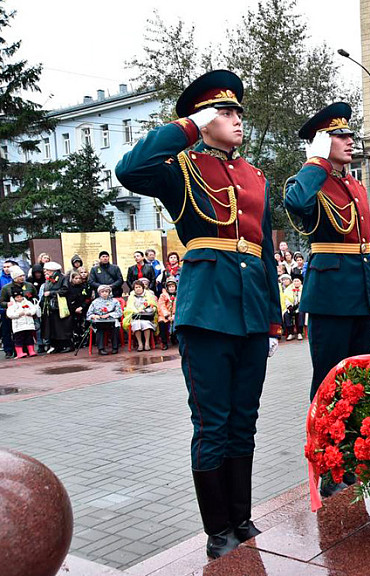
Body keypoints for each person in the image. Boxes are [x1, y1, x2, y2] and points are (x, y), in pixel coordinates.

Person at [116, 69, 282, 558]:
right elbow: (129, 169)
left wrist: (272, 320)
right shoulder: (179, 167)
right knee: (212, 421)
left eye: (237, 112)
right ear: (204, 117)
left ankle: (242, 518)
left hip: (252, 313)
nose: (236, 120)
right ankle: (218, 529)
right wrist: (189, 125)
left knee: (244, 420)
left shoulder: (255, 176)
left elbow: (265, 253)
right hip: (205, 310)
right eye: (224, 112)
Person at [283, 101, 370, 405]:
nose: (350, 140)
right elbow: (296, 203)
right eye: (340, 136)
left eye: (350, 134)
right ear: (323, 142)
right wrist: (316, 161)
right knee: (329, 380)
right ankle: (322, 446)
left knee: (360, 379)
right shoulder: (312, 181)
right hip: (331, 295)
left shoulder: (355, 185)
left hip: (359, 291)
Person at [87, 284, 122, 355]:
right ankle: (101, 349)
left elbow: (119, 312)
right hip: (99, 321)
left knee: (115, 328)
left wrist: (109, 314)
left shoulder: (114, 301)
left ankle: (115, 348)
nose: (104, 293)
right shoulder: (95, 302)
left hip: (111, 320)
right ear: (99, 293)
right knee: (99, 329)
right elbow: (89, 314)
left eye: (106, 291)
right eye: (102, 292)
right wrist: (94, 316)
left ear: (109, 292)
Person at [124, 279, 158, 351]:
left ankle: (147, 343)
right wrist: (136, 311)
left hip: (147, 316)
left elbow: (154, 306)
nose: (138, 289)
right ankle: (140, 344)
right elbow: (129, 308)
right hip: (135, 316)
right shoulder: (131, 296)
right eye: (136, 287)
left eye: (139, 287)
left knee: (145, 323)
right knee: (137, 324)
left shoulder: (149, 295)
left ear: (142, 288)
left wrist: (145, 310)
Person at [6, 285, 38, 358]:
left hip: (28, 325)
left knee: (29, 338)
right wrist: (18, 314)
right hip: (18, 326)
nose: (19, 298)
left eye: (20, 296)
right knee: (19, 340)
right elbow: (9, 314)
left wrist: (29, 312)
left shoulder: (27, 302)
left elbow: (33, 309)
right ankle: (19, 352)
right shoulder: (12, 305)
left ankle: (31, 351)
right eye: (17, 297)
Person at [66, 269, 93, 349]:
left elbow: (88, 298)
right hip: (73, 309)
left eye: (79, 278)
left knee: (83, 326)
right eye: (76, 278)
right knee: (74, 326)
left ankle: (84, 341)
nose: (78, 280)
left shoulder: (84, 287)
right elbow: (68, 300)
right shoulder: (69, 288)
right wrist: (74, 309)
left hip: (83, 309)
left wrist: (82, 307)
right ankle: (76, 342)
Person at [1, 259, 17, 359]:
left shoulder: (16, 277)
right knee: (6, 330)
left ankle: (18, 349)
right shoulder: (1, 279)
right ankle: (8, 350)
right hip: (4, 308)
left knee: (16, 330)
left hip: (17, 308)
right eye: (5, 267)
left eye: (8, 267)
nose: (6, 269)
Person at [158, 279, 178, 350]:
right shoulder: (163, 296)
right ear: (167, 288)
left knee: (179, 322)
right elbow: (161, 306)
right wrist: (167, 315)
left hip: (176, 315)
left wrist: (174, 314)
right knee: (162, 322)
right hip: (165, 315)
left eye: (173, 286)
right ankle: (164, 342)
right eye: (170, 287)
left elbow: (179, 305)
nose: (172, 288)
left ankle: (174, 338)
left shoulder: (179, 295)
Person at [282, 276, 303, 340]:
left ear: (300, 282)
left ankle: (299, 332)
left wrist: (298, 306)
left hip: (300, 307)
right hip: (291, 307)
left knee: (300, 314)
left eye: (297, 281)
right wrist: (290, 307)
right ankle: (291, 333)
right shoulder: (288, 289)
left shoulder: (303, 289)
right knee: (286, 314)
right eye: (294, 281)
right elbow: (286, 299)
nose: (296, 283)